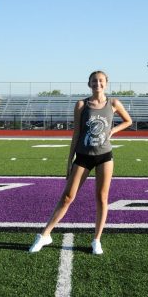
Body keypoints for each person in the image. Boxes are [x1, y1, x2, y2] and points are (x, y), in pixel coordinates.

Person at [29, 70, 132, 255]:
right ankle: (45, 234)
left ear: (106, 83)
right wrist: (69, 161)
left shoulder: (113, 103)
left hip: (105, 156)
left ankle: (96, 240)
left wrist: (113, 131)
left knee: (102, 198)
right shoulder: (81, 104)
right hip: (83, 156)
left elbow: (128, 121)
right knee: (68, 196)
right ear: (89, 84)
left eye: (101, 81)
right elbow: (76, 134)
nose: (97, 84)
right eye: (94, 81)